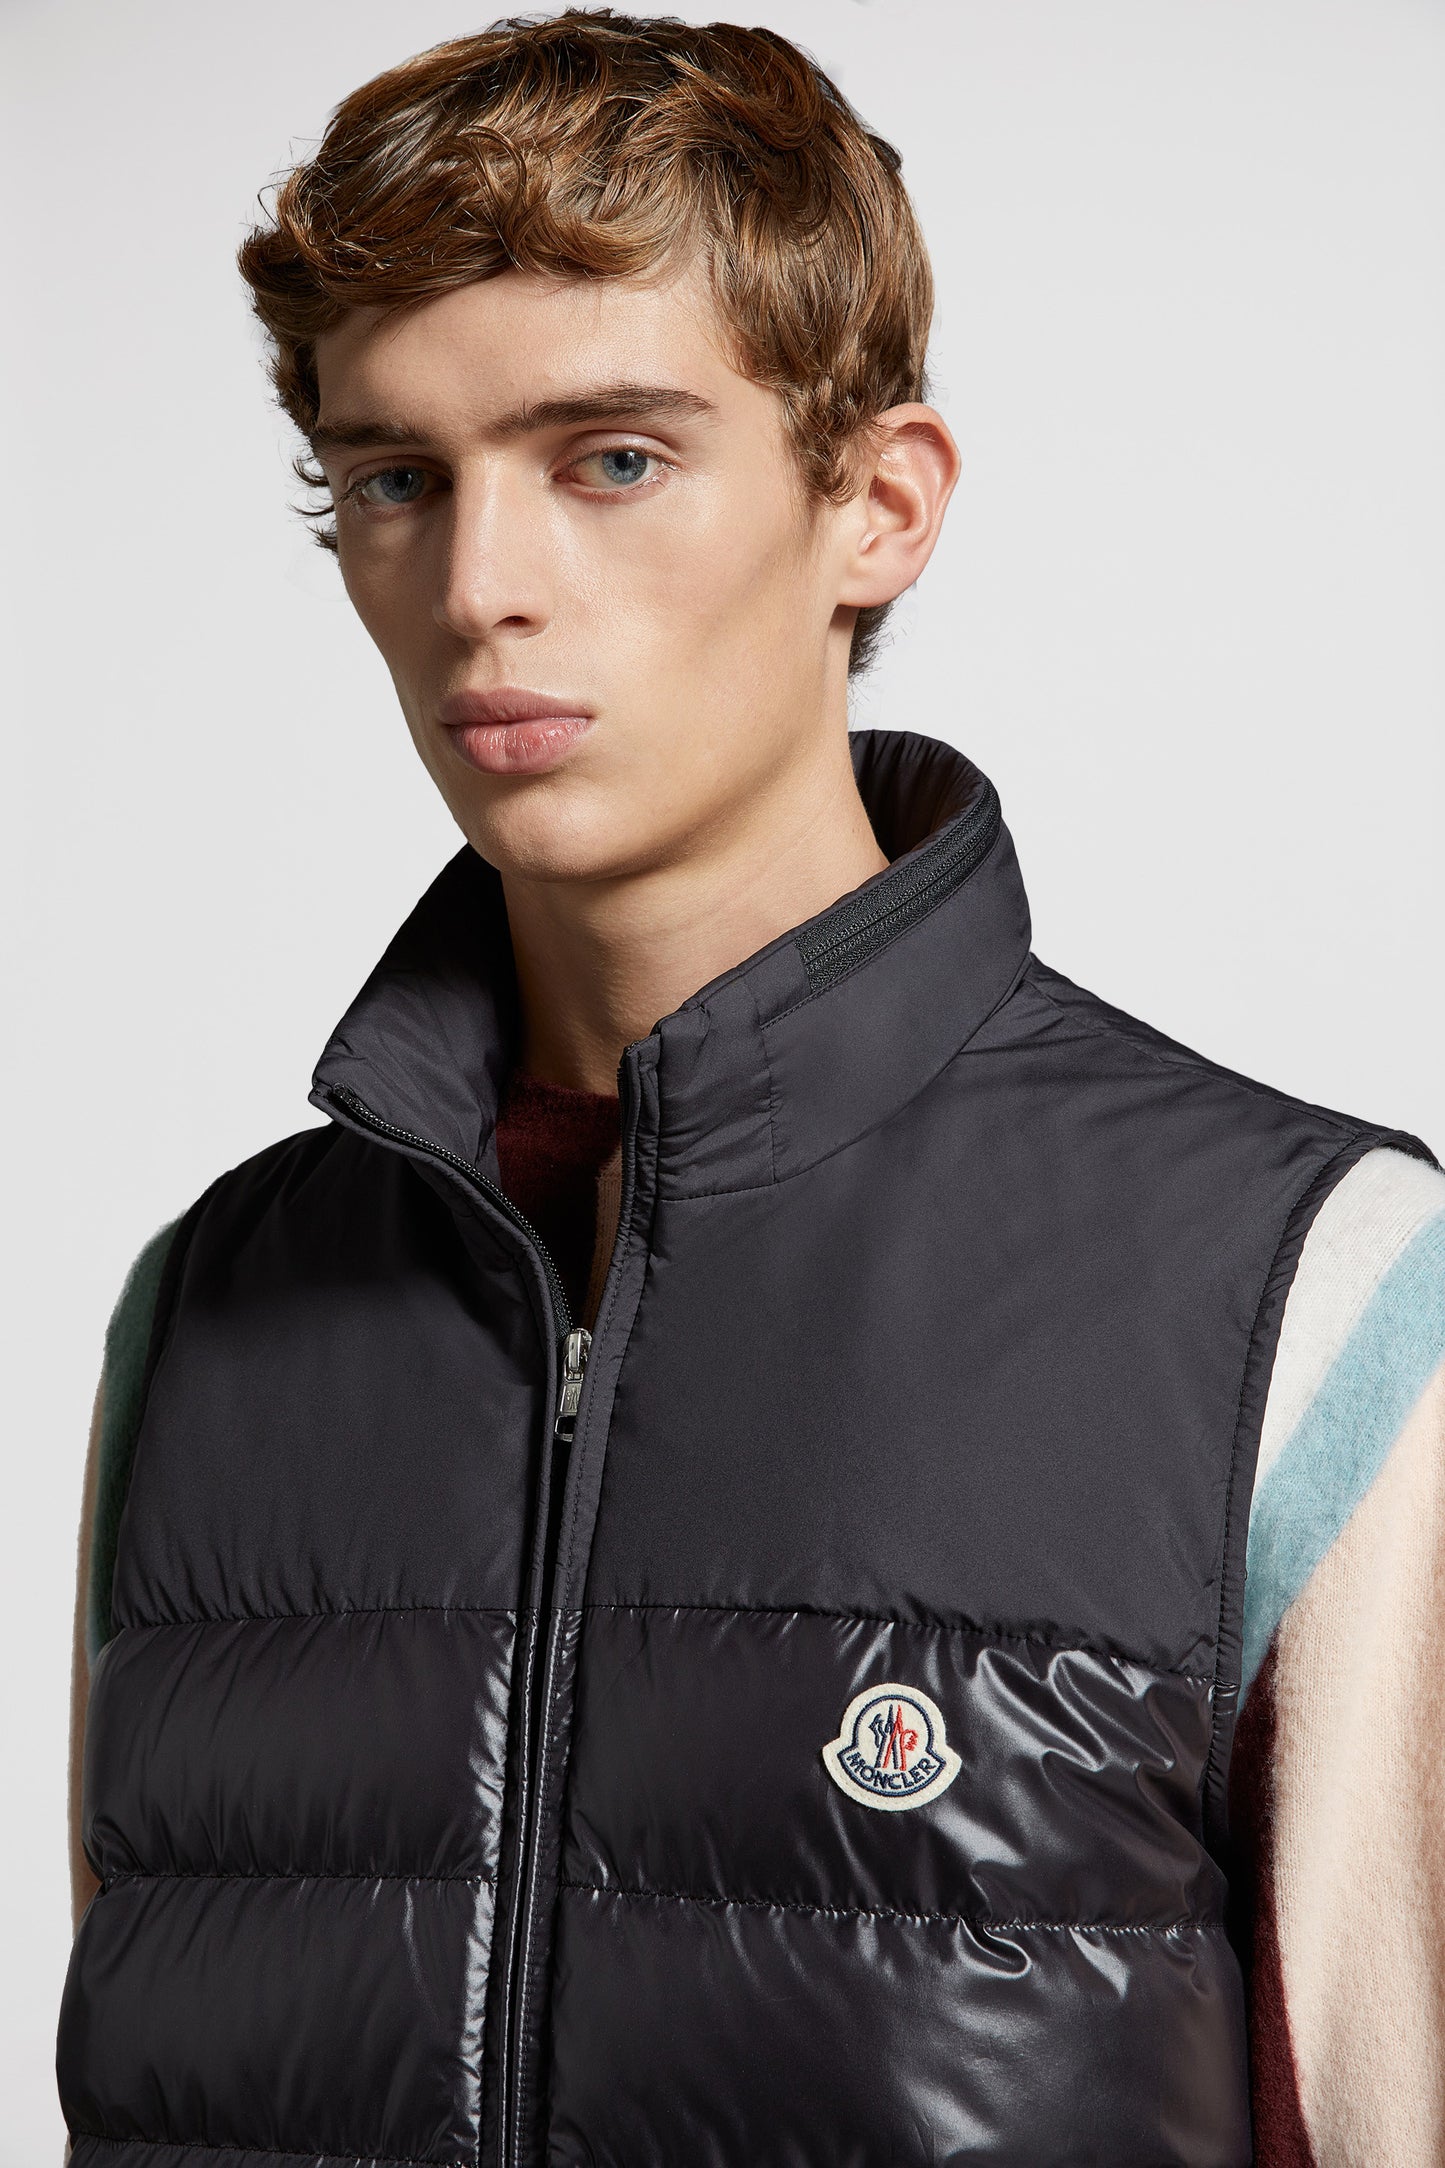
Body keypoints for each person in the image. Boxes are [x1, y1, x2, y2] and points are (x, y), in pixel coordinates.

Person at [58, 11, 1445, 2165]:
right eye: (395, 478)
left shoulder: (1307, 1301)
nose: (482, 589)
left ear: (877, 505)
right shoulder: (212, 1317)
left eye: (611, 459)